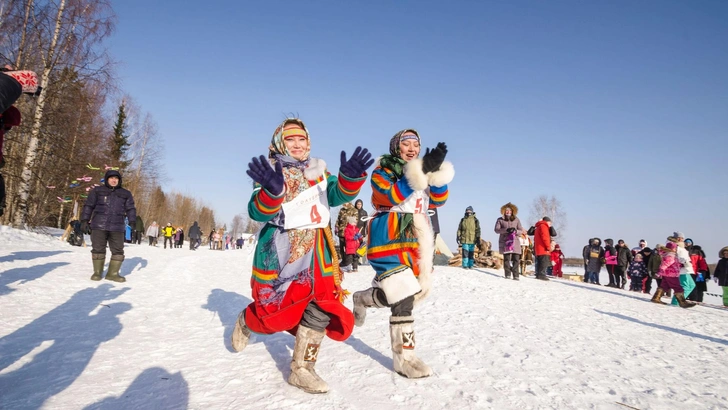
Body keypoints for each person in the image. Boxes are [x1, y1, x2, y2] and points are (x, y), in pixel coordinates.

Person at [230, 118, 373, 394]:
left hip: (317, 254)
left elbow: (336, 193)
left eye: (302, 140)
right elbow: (258, 211)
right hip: (282, 254)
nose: (297, 145)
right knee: (277, 315)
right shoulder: (270, 172)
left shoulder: (318, 171)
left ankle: (303, 369)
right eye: (291, 139)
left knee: (322, 304)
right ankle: (248, 320)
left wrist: (350, 179)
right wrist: (272, 192)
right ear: (280, 142)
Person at [352, 129, 453, 379]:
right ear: (396, 147)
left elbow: (439, 200)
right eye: (405, 144)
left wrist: (435, 174)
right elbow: (388, 195)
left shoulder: (422, 171)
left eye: (415, 144)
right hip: (389, 235)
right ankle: (404, 358)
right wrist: (417, 175)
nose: (412, 148)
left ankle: (364, 298)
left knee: (407, 293)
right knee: (404, 298)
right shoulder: (383, 170)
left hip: (416, 237)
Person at [80, 169, 136, 282]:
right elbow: (89, 205)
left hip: (117, 226)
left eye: (116, 178)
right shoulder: (97, 191)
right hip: (99, 225)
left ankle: (113, 273)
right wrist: (84, 220)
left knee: (118, 250)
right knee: (98, 249)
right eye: (111, 178)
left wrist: (132, 221)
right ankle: (97, 272)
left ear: (119, 180)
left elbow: (130, 208)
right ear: (106, 179)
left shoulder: (125, 193)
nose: (114, 180)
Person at [651, 241, 695, 308]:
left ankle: (656, 297)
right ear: (672, 249)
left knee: (664, 286)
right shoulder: (670, 255)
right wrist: (659, 272)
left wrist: (682, 264)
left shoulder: (669, 255)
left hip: (667, 274)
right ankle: (682, 302)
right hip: (671, 274)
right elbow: (664, 265)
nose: (676, 249)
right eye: (675, 248)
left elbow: (674, 264)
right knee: (678, 288)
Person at [494, 202, 524, 280]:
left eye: (510, 211)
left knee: (516, 259)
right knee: (507, 259)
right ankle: (507, 273)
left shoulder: (516, 219)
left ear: (512, 211)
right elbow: (497, 230)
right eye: (506, 211)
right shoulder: (500, 219)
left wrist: (515, 231)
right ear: (504, 211)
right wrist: (506, 230)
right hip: (505, 242)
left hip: (515, 241)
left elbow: (521, 230)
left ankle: (516, 274)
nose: (508, 212)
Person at [669, 232, 696, 306]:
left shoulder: (681, 246)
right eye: (681, 238)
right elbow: (676, 256)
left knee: (691, 285)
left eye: (683, 238)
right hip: (681, 269)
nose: (682, 239)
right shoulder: (674, 246)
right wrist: (684, 262)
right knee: (685, 286)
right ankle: (676, 302)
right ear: (677, 238)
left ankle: (679, 301)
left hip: (686, 268)